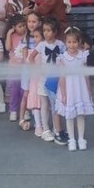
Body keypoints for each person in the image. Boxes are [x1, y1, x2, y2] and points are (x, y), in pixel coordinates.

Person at [56, 27, 94, 151]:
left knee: (80, 114)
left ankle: (81, 138)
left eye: (74, 42)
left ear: (79, 42)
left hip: (80, 88)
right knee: (69, 115)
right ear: (65, 42)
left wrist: (88, 89)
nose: (72, 45)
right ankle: (71, 139)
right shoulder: (62, 58)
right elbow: (62, 77)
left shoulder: (83, 56)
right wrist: (63, 94)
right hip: (69, 89)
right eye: (69, 42)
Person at [29, 17, 67, 145]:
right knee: (44, 104)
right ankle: (46, 129)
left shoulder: (61, 45)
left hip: (56, 79)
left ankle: (58, 129)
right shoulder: (41, 45)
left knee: (56, 105)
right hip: (43, 79)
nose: (45, 33)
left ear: (55, 32)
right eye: (44, 30)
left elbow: (65, 59)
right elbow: (31, 57)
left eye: (48, 30)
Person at [26, 27, 48, 138]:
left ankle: (45, 125)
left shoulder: (45, 49)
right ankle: (38, 126)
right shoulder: (33, 51)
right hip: (35, 80)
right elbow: (29, 61)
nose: (34, 39)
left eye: (37, 36)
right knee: (36, 103)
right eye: (33, 36)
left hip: (44, 80)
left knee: (44, 103)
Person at [5, 14, 27, 124]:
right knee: (14, 90)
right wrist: (9, 33)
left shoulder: (27, 36)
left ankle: (25, 110)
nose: (22, 28)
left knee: (24, 90)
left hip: (25, 68)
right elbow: (8, 48)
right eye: (20, 26)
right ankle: (13, 110)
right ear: (14, 27)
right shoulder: (12, 36)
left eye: (24, 25)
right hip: (14, 68)